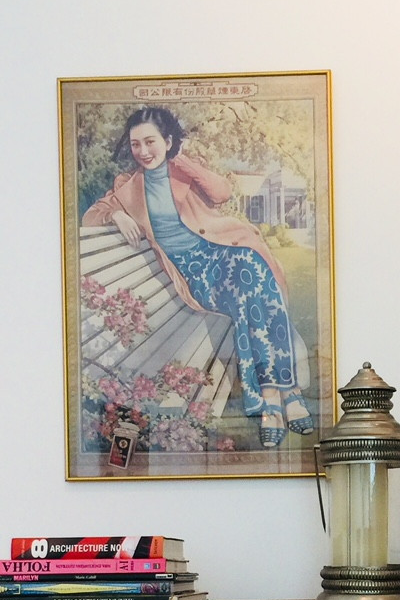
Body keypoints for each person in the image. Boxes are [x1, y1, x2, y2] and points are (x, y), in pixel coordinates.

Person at [82, 106, 313, 447]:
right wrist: (116, 214)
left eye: (150, 142)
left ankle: (271, 400)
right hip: (196, 272)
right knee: (253, 289)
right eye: (135, 144)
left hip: (221, 251)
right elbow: (91, 216)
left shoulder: (181, 170)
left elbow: (222, 193)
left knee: (252, 280)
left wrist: (182, 161)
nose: (143, 151)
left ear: (167, 141)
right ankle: (287, 394)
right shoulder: (126, 186)